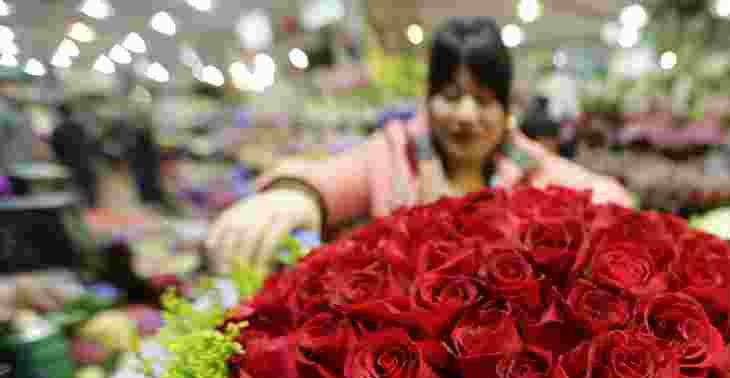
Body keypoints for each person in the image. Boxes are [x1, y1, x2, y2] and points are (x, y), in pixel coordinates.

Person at [205, 17, 631, 275]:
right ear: (427, 100)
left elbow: (606, 196)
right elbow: (330, 179)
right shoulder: (394, 154)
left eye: (482, 100)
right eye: (449, 96)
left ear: (505, 109)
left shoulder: (530, 168)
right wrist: (296, 196)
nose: (465, 115)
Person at [50, 103, 99, 208]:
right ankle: (92, 207)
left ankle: (77, 208)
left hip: (67, 165)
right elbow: (90, 143)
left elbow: (55, 150)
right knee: (87, 187)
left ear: (60, 114)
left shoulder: (58, 130)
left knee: (72, 189)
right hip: (83, 162)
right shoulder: (79, 128)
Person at [0, 69, 34, 177]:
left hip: (21, 164)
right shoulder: (3, 109)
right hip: (9, 166)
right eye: (10, 84)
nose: (15, 88)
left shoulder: (15, 108)